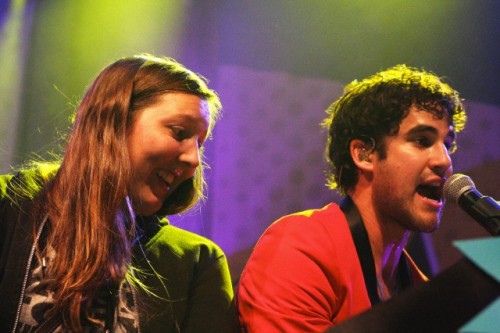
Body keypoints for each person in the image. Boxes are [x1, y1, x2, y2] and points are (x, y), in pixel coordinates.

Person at [0, 54, 240, 332]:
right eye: (179, 132)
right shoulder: (8, 208)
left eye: (200, 143)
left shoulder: (197, 262)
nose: (194, 160)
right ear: (113, 122)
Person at [236, 64, 467, 332]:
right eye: (421, 140)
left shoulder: (416, 285)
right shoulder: (301, 246)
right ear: (364, 154)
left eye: (447, 145)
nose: (444, 161)